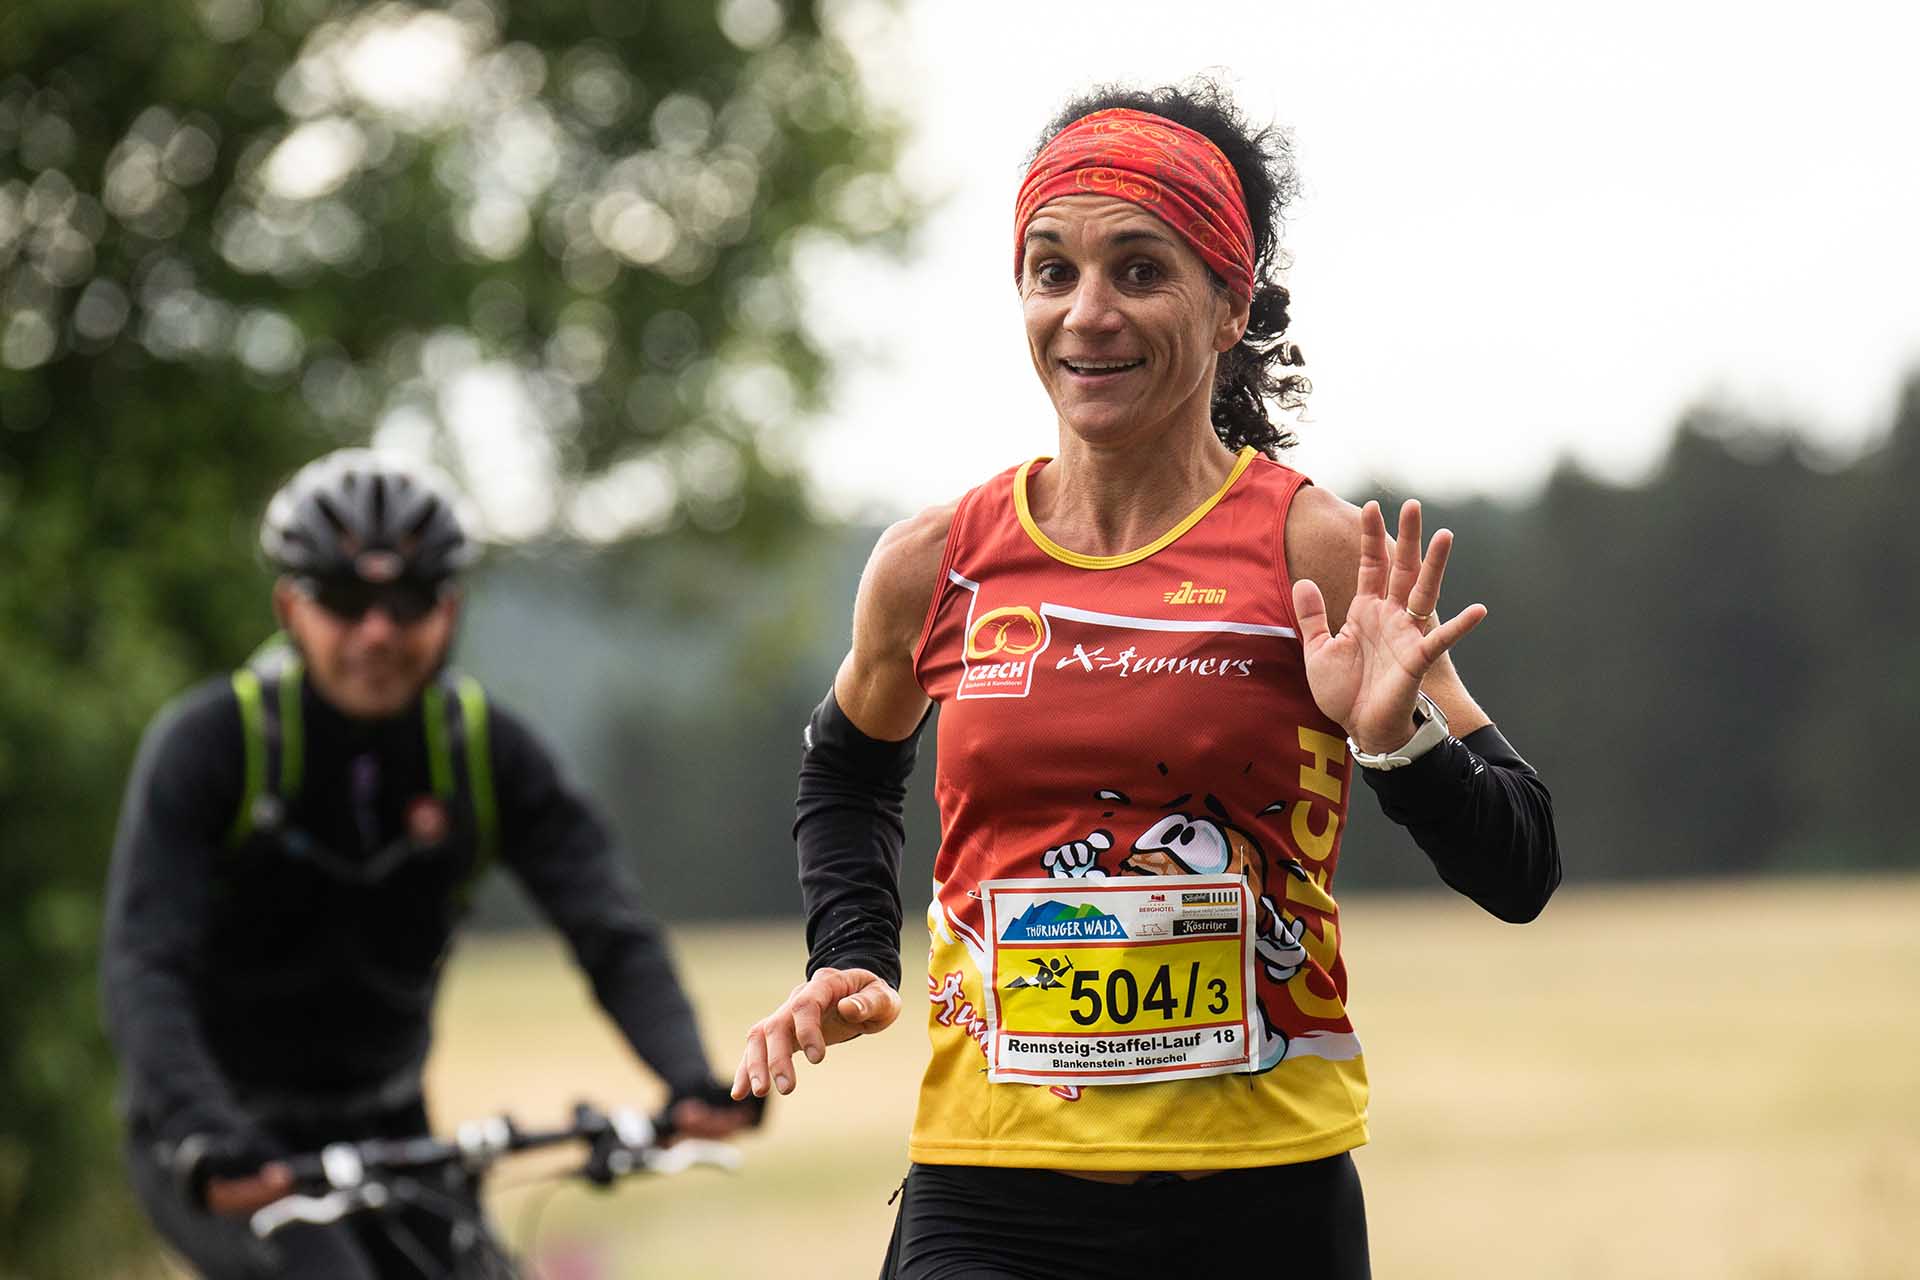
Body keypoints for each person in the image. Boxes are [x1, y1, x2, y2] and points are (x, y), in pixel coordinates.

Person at [734, 78, 1560, 1277]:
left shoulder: (1315, 551)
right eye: (1052, 271)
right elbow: (847, 769)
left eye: (1138, 270)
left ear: (1230, 307)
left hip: (1261, 1200)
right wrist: (851, 947)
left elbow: (1523, 865)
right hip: (990, 1195)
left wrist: (1402, 747)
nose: (1088, 313)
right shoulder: (938, 561)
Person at [103, 449, 760, 1278]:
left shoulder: (486, 754)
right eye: (345, 601)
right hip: (220, 1133)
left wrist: (687, 1073)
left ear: (449, 610)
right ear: (290, 607)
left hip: (389, 1123)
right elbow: (145, 964)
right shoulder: (213, 746)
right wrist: (202, 1126)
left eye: (408, 601)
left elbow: (608, 928)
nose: (377, 631)